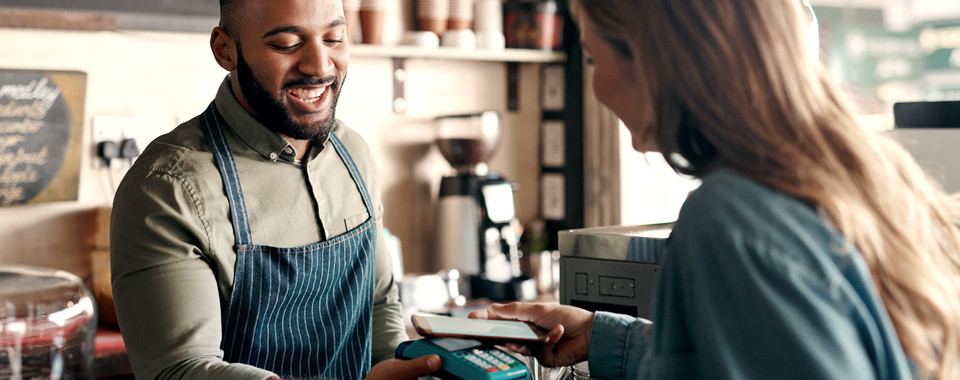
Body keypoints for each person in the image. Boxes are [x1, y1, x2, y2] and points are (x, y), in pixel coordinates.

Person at [470, 1, 960, 379]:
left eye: (595, 57)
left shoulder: (728, 221)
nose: (596, 88)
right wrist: (602, 337)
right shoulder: (858, 175)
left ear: (655, 60)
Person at [109, 0, 441, 379]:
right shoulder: (168, 187)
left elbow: (379, 302)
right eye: (286, 44)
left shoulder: (354, 152)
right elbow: (179, 370)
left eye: (334, 38)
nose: (319, 65)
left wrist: (394, 366)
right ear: (226, 50)